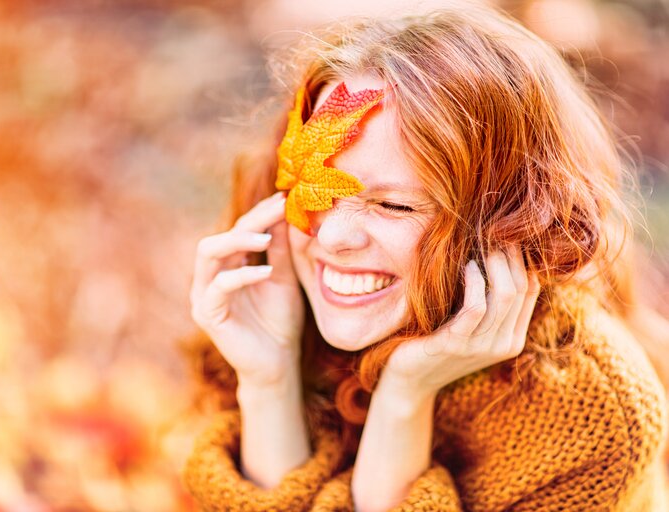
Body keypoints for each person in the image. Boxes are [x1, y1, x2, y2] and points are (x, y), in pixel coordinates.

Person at [183, 3, 669, 511]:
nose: (332, 238)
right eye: (316, 190)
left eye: (394, 204)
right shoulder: (279, 306)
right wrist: (268, 382)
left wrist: (404, 399)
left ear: (510, 219)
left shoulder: (594, 422)